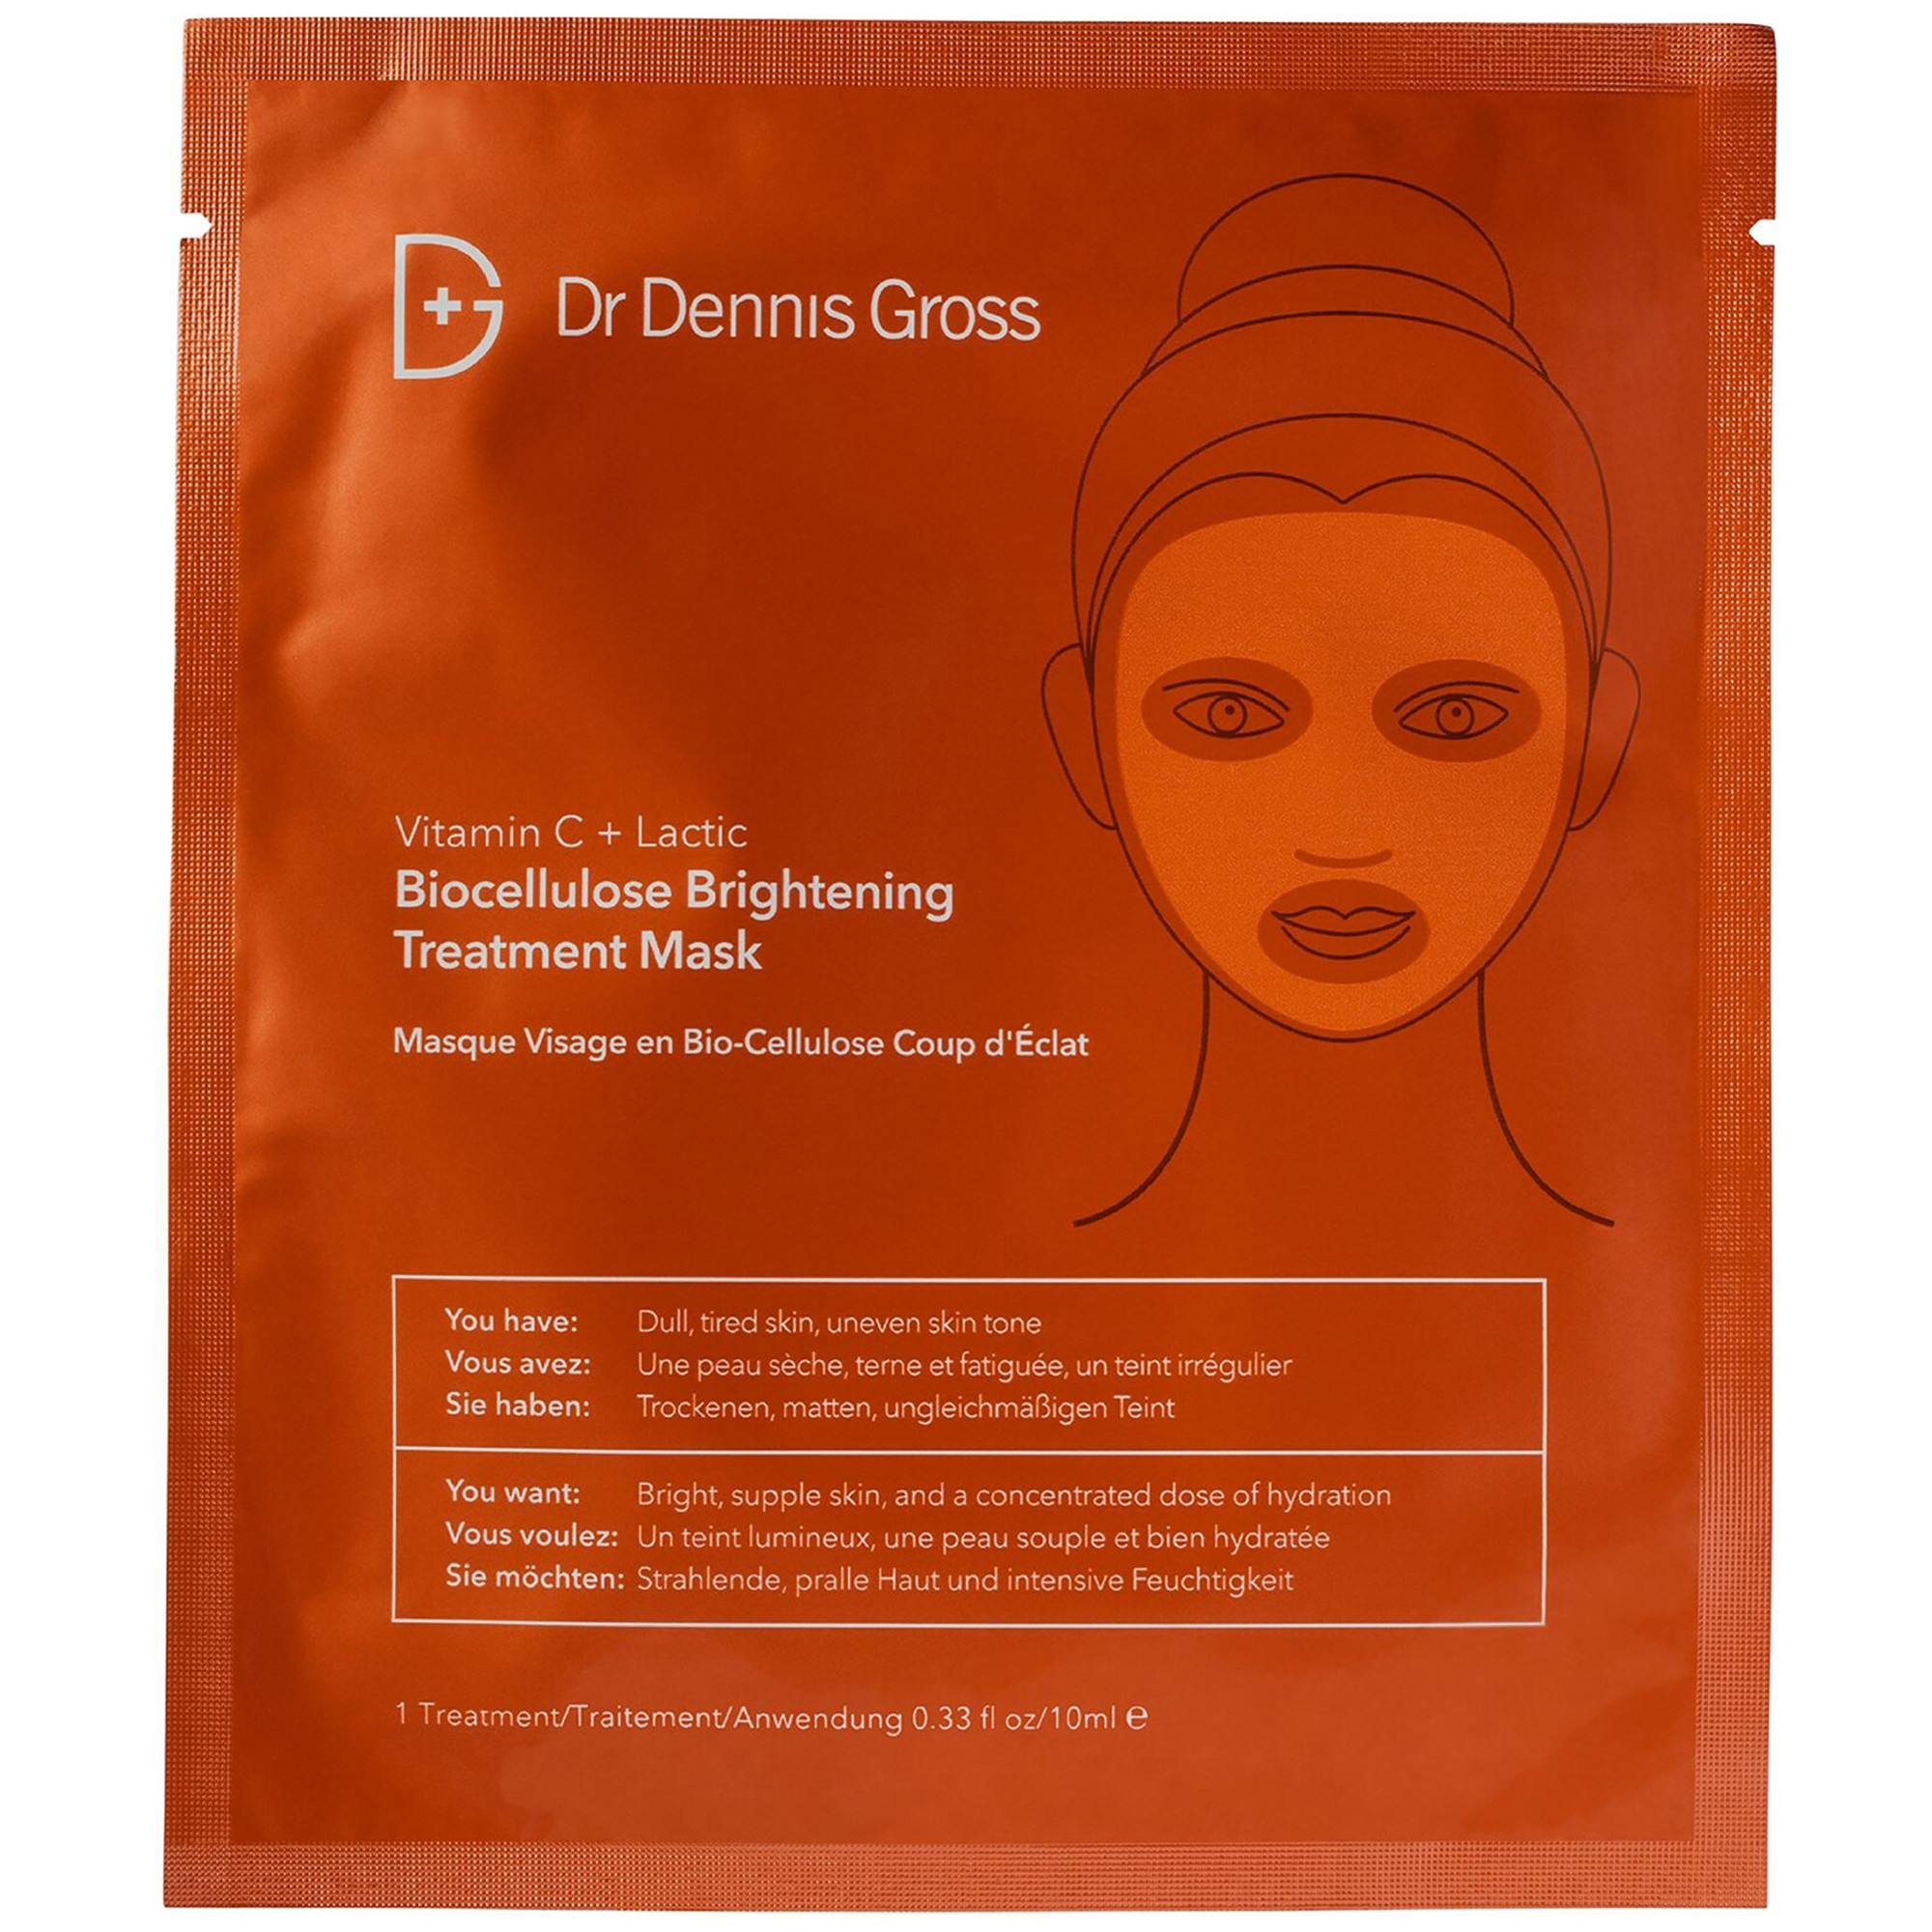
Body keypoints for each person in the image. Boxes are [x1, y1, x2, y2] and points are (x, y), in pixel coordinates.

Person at [1042, 175, 1639, 1226]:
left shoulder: (1660, 1299)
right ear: (1084, 737)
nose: (1343, 830)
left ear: (1603, 734)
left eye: (1455, 716)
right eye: (1228, 715)